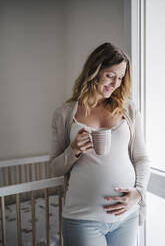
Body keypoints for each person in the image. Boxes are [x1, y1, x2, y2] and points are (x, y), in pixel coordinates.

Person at [49, 42, 151, 246]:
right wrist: (74, 150)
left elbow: (142, 158)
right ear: (94, 70)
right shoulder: (65, 113)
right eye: (110, 75)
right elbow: (54, 167)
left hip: (126, 217)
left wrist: (138, 193)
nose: (115, 84)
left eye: (121, 78)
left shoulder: (128, 110)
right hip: (83, 219)